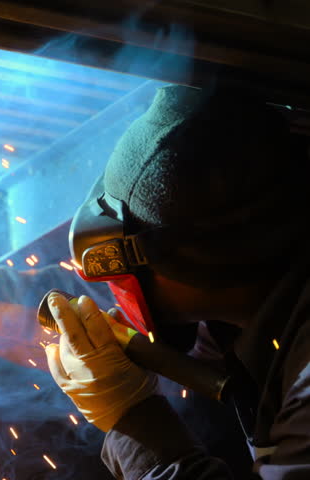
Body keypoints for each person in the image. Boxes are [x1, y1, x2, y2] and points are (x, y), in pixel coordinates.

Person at [44, 85, 310, 478]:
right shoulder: (259, 311)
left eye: (119, 267)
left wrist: (134, 417)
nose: (116, 287)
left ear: (192, 260)